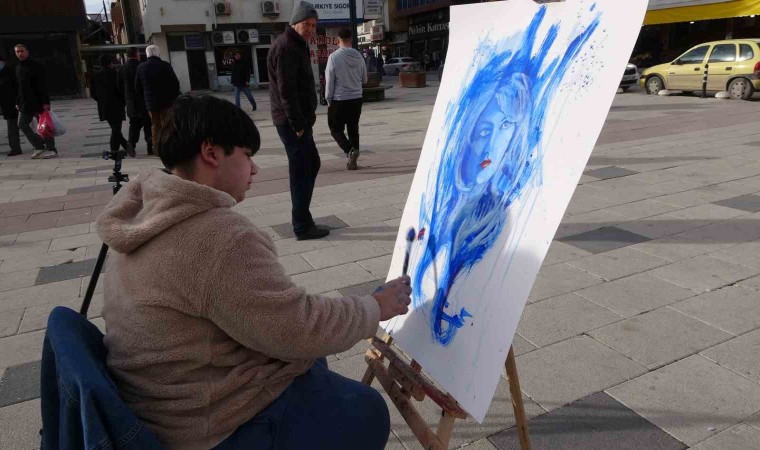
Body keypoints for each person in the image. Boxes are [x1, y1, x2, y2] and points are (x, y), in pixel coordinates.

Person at [95, 94, 411, 450]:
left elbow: (276, 320)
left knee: (313, 359)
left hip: (157, 401)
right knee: (367, 411)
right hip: (201, 425)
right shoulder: (216, 237)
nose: (255, 169)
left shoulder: (146, 213)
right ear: (211, 153)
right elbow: (297, 327)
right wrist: (374, 307)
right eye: (247, 155)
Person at [268, 1, 329, 240]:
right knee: (302, 170)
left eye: (314, 25)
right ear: (296, 22)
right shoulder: (286, 47)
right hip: (292, 123)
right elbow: (287, 91)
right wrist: (298, 125)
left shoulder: (296, 43)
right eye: (307, 25)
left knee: (311, 164)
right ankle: (302, 225)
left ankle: (303, 217)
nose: (311, 30)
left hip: (299, 120)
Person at [325, 28, 366, 171]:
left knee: (335, 129)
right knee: (353, 128)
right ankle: (354, 157)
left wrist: (328, 99)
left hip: (339, 99)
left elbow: (329, 81)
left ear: (338, 40)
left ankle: (349, 150)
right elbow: (364, 79)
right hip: (356, 98)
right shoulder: (359, 56)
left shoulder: (334, 57)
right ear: (351, 40)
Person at [14, 44, 57, 159]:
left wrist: (46, 102)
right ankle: (39, 146)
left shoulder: (36, 65)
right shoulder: (18, 67)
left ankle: (52, 149)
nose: (20, 53)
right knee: (22, 124)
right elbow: (18, 87)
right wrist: (17, 102)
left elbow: (43, 85)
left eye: (22, 51)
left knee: (45, 126)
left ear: (27, 52)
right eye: (17, 52)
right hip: (24, 104)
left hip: (38, 103)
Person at [135, 45, 179, 152]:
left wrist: (145, 98)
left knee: (155, 124)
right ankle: (167, 145)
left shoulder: (141, 67)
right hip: (166, 102)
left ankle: (156, 147)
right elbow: (175, 83)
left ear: (147, 54)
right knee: (166, 124)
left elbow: (137, 87)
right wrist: (173, 97)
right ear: (158, 53)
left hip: (151, 103)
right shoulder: (165, 65)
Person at [92, 54, 134, 158]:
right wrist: (123, 101)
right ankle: (117, 149)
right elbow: (120, 89)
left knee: (115, 128)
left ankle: (123, 147)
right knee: (116, 129)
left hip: (104, 107)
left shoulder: (96, 75)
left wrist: (101, 100)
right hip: (117, 105)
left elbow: (93, 93)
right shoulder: (115, 73)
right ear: (110, 62)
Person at [118, 47, 153, 155]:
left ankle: (131, 143)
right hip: (143, 100)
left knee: (134, 123)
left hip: (130, 101)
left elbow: (119, 86)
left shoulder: (122, 68)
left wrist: (125, 98)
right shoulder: (142, 66)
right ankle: (150, 146)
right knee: (147, 123)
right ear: (136, 54)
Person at [0, 55, 21, 156]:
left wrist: (18, 101)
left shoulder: (10, 72)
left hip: (11, 103)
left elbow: (18, 87)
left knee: (13, 126)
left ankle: (15, 148)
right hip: (4, 104)